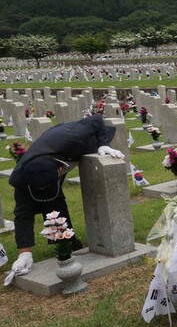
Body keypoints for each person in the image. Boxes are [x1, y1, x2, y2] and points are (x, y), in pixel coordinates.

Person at [7, 115, 124, 273]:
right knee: (53, 201)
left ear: (60, 171)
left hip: (82, 145)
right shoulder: (20, 177)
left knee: (55, 201)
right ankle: (66, 243)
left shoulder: (72, 137)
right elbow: (22, 214)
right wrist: (24, 252)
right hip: (49, 159)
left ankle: (67, 241)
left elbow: (96, 119)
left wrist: (103, 144)